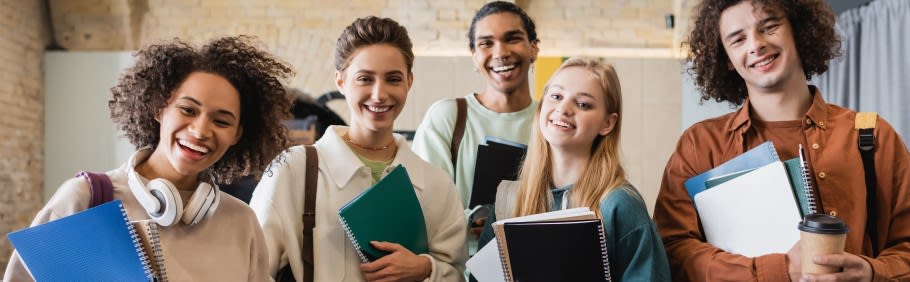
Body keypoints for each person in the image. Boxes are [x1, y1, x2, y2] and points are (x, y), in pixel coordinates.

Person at [652, 0, 910, 281]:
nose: (756, 44)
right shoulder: (699, 145)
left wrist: (873, 272)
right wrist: (780, 268)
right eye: (738, 39)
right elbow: (673, 251)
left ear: (798, 30)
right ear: (726, 58)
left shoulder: (873, 135)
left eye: (770, 27)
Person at [3, 35, 293, 281]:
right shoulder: (86, 199)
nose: (201, 130)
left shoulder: (241, 221)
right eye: (188, 110)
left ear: (237, 135)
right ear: (159, 108)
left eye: (221, 121)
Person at [250, 16, 467, 281]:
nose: (379, 94)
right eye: (365, 79)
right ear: (340, 81)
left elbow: (456, 272)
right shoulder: (293, 170)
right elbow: (254, 269)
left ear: (409, 82)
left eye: (393, 79)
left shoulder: (436, 185)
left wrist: (426, 269)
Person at [478, 57, 671, 281]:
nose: (564, 108)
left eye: (583, 104)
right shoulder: (508, 201)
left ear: (607, 123)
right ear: (541, 108)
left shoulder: (619, 204)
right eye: (556, 96)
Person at [411, 0, 540, 244]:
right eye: (486, 43)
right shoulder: (448, 116)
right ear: (474, 56)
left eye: (512, 38)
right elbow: (423, 205)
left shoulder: (552, 121)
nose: (500, 52)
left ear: (533, 48)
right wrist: (473, 221)